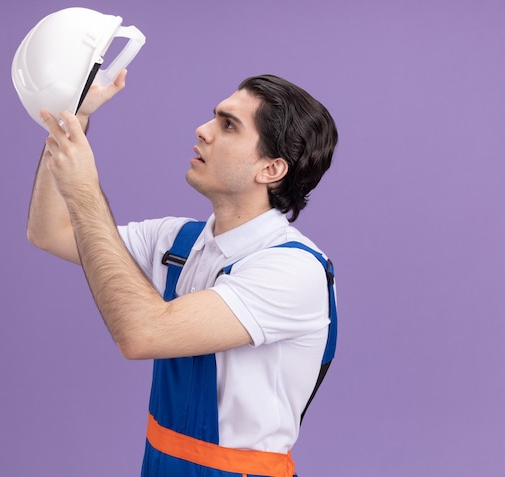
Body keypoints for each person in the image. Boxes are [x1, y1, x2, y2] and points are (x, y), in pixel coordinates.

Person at [27, 71, 338, 477]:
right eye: (214, 117)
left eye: (228, 125)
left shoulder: (292, 269)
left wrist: (84, 191)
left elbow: (144, 334)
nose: (203, 130)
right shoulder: (176, 242)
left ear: (271, 168)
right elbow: (51, 232)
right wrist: (74, 121)